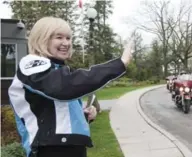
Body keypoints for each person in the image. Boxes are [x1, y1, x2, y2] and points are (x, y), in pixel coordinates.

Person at [8, 17, 134, 157]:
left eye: (68, 38)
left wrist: (85, 115)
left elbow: (59, 111)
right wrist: (119, 64)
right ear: (42, 39)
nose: (66, 43)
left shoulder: (57, 72)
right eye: (59, 37)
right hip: (49, 150)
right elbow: (62, 89)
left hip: (70, 147)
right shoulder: (31, 64)